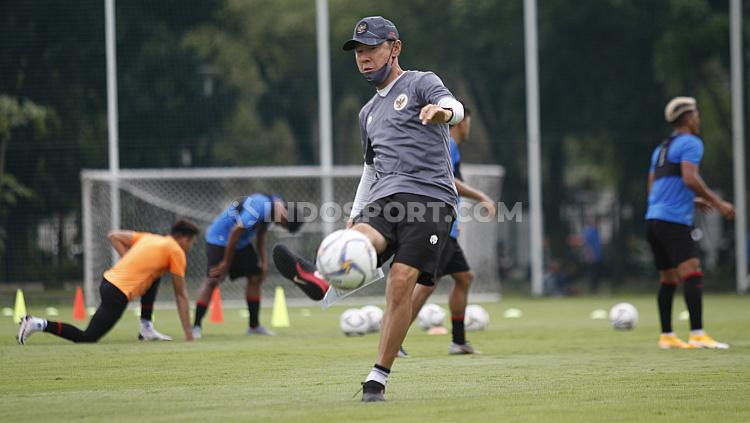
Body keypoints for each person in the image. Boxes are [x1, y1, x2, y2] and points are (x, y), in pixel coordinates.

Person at [273, 16, 464, 402]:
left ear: (395, 48)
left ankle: (377, 377)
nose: (363, 58)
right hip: (386, 198)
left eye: (371, 49)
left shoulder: (421, 83)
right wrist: (356, 213)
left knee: (400, 282)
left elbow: (454, 106)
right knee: (357, 242)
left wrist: (440, 113)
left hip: (431, 199)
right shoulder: (366, 114)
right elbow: (370, 169)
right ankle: (322, 281)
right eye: (358, 52)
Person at [401, 104, 496, 356]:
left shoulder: (448, 147)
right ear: (461, 123)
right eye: (468, 122)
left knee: (463, 277)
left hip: (446, 226)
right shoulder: (449, 145)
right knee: (427, 283)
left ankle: (458, 341)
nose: (469, 128)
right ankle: (396, 338)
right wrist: (481, 196)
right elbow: (450, 181)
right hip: (440, 226)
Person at [17, 220, 199, 344]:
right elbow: (180, 295)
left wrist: (128, 258)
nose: (191, 247)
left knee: (155, 274)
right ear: (183, 238)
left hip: (107, 282)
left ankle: (146, 327)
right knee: (87, 337)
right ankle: (37, 323)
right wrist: (189, 334)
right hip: (117, 293)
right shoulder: (176, 251)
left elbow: (114, 235)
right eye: (191, 243)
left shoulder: (152, 238)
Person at [646, 96, 735, 350]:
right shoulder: (691, 143)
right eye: (696, 113)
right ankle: (697, 334)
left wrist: (690, 200)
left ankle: (667, 336)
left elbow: (653, 185)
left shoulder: (661, 148)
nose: (698, 118)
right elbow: (690, 178)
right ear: (687, 118)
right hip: (673, 219)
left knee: (669, 277)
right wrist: (718, 203)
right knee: (692, 269)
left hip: (653, 217)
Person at [191, 193, 323, 339]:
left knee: (255, 277)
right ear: (285, 212)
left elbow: (261, 235)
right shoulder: (260, 206)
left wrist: (264, 263)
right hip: (220, 238)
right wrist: (226, 263)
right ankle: (196, 326)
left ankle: (254, 326)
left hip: (240, 242)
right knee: (213, 280)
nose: (278, 225)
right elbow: (235, 231)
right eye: (282, 223)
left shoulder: (275, 207)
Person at [107, 231, 171, 341]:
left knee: (154, 277)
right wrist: (126, 258)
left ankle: (146, 327)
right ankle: (146, 327)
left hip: (123, 283)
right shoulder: (147, 240)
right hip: (116, 285)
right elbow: (113, 236)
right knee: (89, 335)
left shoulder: (151, 244)